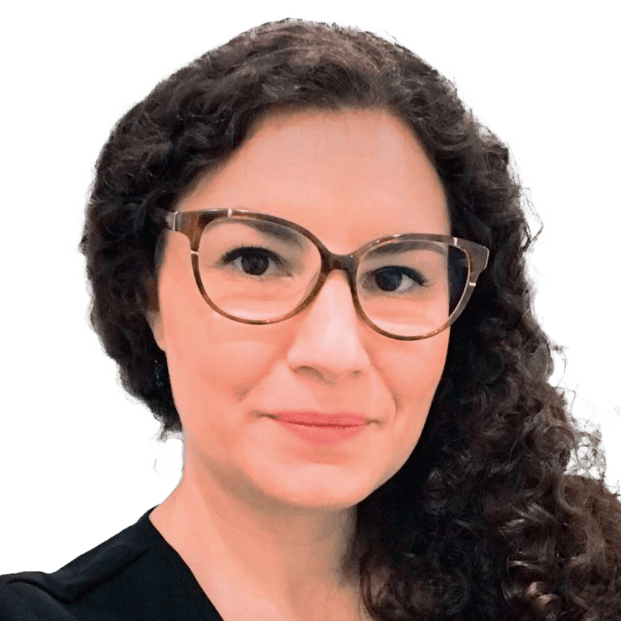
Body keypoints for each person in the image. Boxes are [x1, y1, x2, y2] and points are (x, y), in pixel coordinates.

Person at [1, 16, 619, 621]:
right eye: (256, 262)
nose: (334, 351)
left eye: (395, 277)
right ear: (146, 294)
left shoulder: (556, 590)